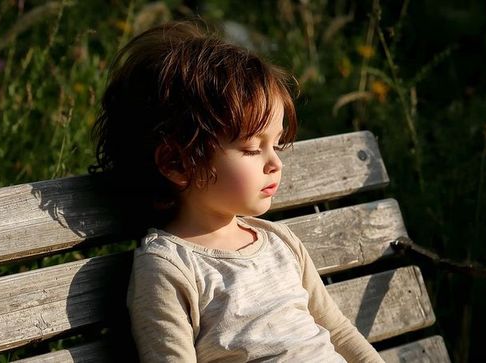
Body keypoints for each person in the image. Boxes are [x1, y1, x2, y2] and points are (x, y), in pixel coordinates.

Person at [90, 19, 384, 363]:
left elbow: (339, 331)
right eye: (250, 148)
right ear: (177, 163)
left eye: (276, 144)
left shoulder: (281, 243)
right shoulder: (169, 268)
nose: (275, 163)